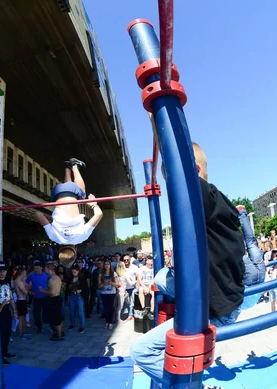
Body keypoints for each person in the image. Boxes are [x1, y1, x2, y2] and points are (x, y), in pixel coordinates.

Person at [131, 142, 246, 389]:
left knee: (140, 351)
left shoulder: (201, 196)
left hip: (214, 311)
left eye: (170, 180)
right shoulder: (215, 206)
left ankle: (188, 385)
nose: (173, 190)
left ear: (192, 172)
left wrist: (156, 121)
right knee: (161, 278)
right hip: (223, 301)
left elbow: (177, 158)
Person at [34, 159, 103, 268]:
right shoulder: (53, 237)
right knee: (69, 186)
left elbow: (99, 214)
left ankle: (74, 166)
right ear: (60, 250)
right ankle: (67, 167)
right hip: (57, 192)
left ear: (75, 251)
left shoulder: (81, 237)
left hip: (72, 192)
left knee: (81, 194)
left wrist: (93, 204)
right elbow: (38, 214)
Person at [40, 261, 64, 340]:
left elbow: (52, 292)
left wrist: (43, 291)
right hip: (58, 298)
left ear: (49, 269)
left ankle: (59, 335)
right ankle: (61, 332)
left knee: (56, 318)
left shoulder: (51, 280)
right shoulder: (57, 277)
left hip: (54, 299)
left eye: (45, 269)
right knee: (58, 317)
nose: (44, 270)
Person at [25, 260, 49, 334]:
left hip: (45, 296)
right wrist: (29, 291)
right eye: (35, 268)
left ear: (41, 268)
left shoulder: (46, 275)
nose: (36, 270)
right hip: (36, 298)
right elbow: (25, 283)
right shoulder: (31, 275)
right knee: (36, 313)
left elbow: (51, 283)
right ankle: (39, 326)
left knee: (46, 312)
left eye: (38, 268)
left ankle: (47, 322)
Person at [67, 264, 88, 333]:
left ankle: (82, 326)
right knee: (71, 311)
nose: (73, 273)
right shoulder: (70, 278)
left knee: (80, 312)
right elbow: (68, 287)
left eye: (75, 272)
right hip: (72, 295)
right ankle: (72, 323)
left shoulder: (82, 279)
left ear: (78, 271)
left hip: (79, 296)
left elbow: (86, 288)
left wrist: (81, 290)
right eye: (72, 272)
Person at [99, 259, 119, 329]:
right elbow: (98, 285)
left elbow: (117, 284)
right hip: (103, 293)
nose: (106, 266)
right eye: (105, 264)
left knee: (111, 307)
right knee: (105, 307)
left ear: (110, 265)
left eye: (108, 264)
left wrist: (111, 283)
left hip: (111, 293)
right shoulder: (101, 274)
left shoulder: (114, 274)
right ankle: (106, 322)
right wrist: (103, 283)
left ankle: (110, 322)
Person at [14, 268, 30, 339]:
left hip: (23, 300)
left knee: (23, 317)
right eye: (25, 273)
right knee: (21, 318)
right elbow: (25, 292)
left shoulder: (21, 280)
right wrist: (28, 288)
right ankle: (21, 333)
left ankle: (23, 331)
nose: (26, 275)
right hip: (21, 300)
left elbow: (27, 286)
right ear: (22, 273)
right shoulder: (18, 281)